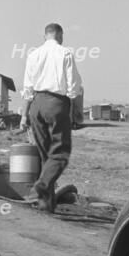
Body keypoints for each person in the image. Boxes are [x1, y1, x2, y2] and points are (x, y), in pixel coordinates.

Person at [20, 23, 82, 211]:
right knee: (60, 153)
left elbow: (27, 88)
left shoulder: (33, 54)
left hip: (36, 105)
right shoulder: (65, 53)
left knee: (45, 154)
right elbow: (74, 87)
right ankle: (41, 186)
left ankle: (46, 203)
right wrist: (73, 112)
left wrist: (24, 115)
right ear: (60, 35)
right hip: (56, 104)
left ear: (45, 35)